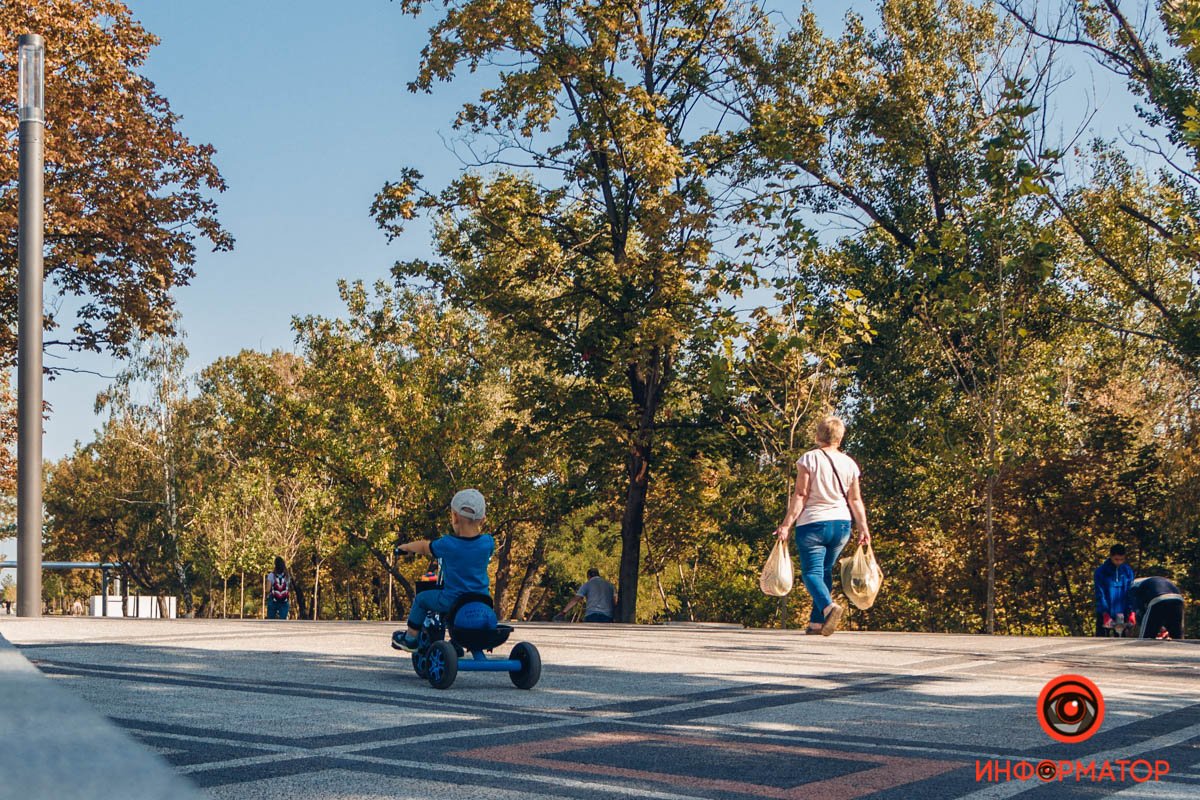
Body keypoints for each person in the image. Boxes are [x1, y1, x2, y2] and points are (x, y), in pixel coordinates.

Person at [773, 416, 871, 637]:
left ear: (818, 435)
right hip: (842, 525)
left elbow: (801, 494)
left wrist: (786, 524)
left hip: (813, 523)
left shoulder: (809, 459)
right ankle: (817, 624)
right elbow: (855, 499)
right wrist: (863, 528)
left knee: (811, 572)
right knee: (824, 571)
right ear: (840, 437)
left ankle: (828, 608)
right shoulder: (849, 464)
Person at [392, 489, 495, 652]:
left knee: (422, 599)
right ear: (483, 519)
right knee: (452, 606)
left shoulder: (448, 544)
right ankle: (457, 644)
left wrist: (406, 547)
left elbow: (425, 547)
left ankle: (410, 638)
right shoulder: (488, 543)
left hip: (453, 599)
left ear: (454, 517)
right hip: (482, 601)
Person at [1130, 571, 1185, 640]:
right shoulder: (1156, 581)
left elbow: (1139, 608)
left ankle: (1144, 646)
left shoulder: (1133, 586)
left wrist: (1141, 623)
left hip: (1159, 598)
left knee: (1147, 637)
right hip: (1178, 599)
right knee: (1176, 634)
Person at [1094, 544, 1135, 637]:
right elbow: (1100, 594)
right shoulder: (1101, 572)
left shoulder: (1127, 571)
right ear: (1111, 556)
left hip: (1122, 612)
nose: (1119, 562)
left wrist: (1132, 612)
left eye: (1121, 559)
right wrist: (1104, 613)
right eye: (1116, 559)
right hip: (1105, 611)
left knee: (1122, 643)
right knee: (1102, 641)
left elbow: (1131, 592)